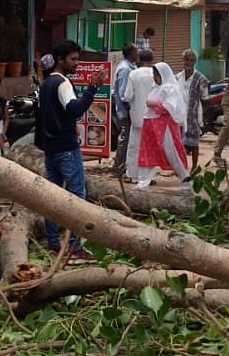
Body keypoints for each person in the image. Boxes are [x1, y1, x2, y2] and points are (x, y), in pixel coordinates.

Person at [34, 39, 106, 260]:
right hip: (66, 148)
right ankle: (74, 247)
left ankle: (54, 243)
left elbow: (51, 114)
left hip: (50, 149)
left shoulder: (46, 84)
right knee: (76, 196)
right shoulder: (63, 83)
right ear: (60, 60)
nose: (77, 63)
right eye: (73, 59)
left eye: (78, 59)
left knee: (52, 197)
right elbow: (74, 109)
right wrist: (93, 87)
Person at [136, 62, 193, 194]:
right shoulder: (155, 87)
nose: (155, 78)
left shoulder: (171, 88)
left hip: (165, 125)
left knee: (172, 153)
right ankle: (143, 183)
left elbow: (171, 107)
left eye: (157, 75)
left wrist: (155, 104)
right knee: (148, 152)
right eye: (154, 75)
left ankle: (186, 182)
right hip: (150, 124)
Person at [123, 49, 158, 177]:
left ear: (139, 59)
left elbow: (127, 96)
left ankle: (132, 174)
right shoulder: (156, 74)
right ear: (152, 59)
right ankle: (149, 176)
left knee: (134, 147)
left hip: (137, 116)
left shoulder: (133, 74)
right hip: (153, 116)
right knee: (151, 147)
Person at [180, 49, 210, 170]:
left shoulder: (200, 78)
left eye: (191, 60)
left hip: (194, 114)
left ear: (195, 62)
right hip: (180, 115)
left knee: (194, 143)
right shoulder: (178, 77)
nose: (188, 62)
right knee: (180, 143)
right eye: (186, 59)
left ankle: (194, 167)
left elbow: (205, 98)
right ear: (183, 60)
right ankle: (181, 166)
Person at [111, 44, 138, 178]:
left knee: (127, 138)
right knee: (124, 138)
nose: (138, 54)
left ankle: (122, 165)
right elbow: (123, 94)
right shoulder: (125, 69)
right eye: (136, 51)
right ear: (130, 53)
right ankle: (119, 167)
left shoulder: (131, 67)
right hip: (125, 111)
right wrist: (130, 110)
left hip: (127, 110)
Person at [0, 75, 12, 152]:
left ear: (1, 86)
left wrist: (2, 135)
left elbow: (7, 119)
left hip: (0, 129)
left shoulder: (4, 101)